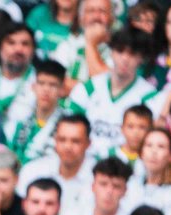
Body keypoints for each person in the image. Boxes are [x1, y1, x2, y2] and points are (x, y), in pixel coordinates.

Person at [66, 28, 161, 157]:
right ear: (111, 52)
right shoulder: (88, 88)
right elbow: (68, 127)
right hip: (84, 161)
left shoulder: (150, 97)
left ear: (142, 59)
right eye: (120, 51)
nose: (125, 59)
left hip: (124, 165)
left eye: (132, 54)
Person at [18, 115, 94, 208]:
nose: (68, 147)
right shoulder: (32, 170)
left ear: (88, 143)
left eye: (75, 141)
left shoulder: (98, 179)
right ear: (55, 140)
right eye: (62, 140)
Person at [6, 59, 67, 166]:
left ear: (62, 90)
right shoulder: (20, 120)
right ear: (33, 86)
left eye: (53, 85)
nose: (46, 90)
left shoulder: (67, 124)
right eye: (41, 83)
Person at [52, 0, 114, 87]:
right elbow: (56, 82)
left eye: (102, 11)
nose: (96, 16)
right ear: (81, 18)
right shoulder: (67, 46)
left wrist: (91, 43)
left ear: (112, 19)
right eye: (91, 11)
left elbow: (107, 85)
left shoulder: (120, 50)